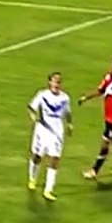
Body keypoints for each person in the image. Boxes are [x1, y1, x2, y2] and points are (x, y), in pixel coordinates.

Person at [27, 71, 72, 202]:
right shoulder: (42, 95)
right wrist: (33, 117)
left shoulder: (65, 98)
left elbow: (67, 113)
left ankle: (48, 190)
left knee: (55, 159)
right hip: (42, 130)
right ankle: (32, 178)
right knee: (37, 156)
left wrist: (70, 124)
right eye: (55, 81)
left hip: (56, 132)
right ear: (50, 82)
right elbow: (31, 108)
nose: (57, 84)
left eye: (59, 82)